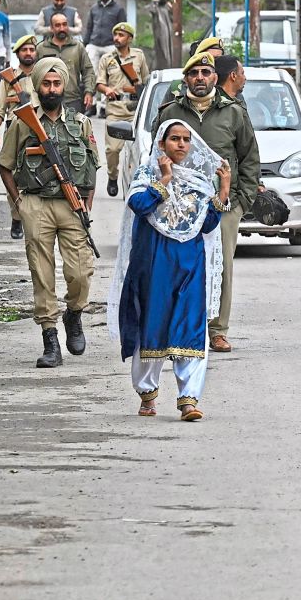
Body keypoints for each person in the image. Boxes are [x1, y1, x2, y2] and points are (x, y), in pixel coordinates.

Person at [108, 121, 230, 422]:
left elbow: (208, 224)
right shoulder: (146, 174)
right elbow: (138, 204)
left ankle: (188, 400)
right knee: (152, 323)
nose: (181, 144)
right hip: (153, 263)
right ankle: (147, 395)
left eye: (186, 140)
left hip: (190, 263)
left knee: (191, 325)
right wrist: (163, 179)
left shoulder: (198, 181)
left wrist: (223, 190)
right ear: (161, 144)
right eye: (174, 139)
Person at [152, 41, 261, 353]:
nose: (200, 77)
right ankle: (177, 329)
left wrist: (242, 201)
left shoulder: (234, 113)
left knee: (220, 265)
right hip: (179, 204)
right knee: (178, 265)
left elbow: (249, 156)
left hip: (222, 204)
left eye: (206, 72)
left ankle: (217, 330)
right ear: (186, 79)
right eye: (194, 73)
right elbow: (156, 155)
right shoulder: (171, 112)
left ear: (215, 78)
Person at [0, 57, 99, 368]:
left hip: (72, 207)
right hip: (36, 205)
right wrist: (19, 204)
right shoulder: (22, 122)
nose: (51, 89)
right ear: (38, 86)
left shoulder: (80, 123)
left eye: (57, 84)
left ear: (65, 86)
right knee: (41, 274)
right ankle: (50, 338)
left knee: (80, 272)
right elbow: (5, 166)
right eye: (46, 83)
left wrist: (86, 204)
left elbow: (92, 169)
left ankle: (74, 313)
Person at [0, 35, 41, 240]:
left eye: (31, 49)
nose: (28, 53)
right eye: (24, 50)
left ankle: (37, 218)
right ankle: (17, 216)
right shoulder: (8, 78)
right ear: (18, 53)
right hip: (14, 130)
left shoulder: (43, 74)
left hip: (39, 130)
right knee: (12, 174)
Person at [95, 22, 150, 198]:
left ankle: (138, 184)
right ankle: (112, 176)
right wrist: (106, 90)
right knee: (112, 150)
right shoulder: (107, 58)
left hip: (135, 111)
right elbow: (100, 83)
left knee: (140, 149)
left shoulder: (139, 56)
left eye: (121, 35)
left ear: (130, 38)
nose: (117, 38)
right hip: (116, 109)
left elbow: (146, 79)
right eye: (116, 34)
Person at [36, 13, 95, 114]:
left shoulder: (78, 47)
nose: (62, 28)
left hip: (72, 101)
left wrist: (89, 91)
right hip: (47, 102)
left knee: (73, 129)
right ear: (51, 28)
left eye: (64, 24)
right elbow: (33, 75)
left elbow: (88, 71)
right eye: (58, 25)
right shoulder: (41, 48)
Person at [85, 0, 127, 114]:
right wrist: (86, 44)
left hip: (110, 45)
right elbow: (89, 27)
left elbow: (123, 28)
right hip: (94, 45)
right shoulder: (93, 9)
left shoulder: (118, 9)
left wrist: (122, 45)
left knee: (109, 76)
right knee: (93, 75)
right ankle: (91, 106)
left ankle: (104, 107)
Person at [148, 0, 175, 71]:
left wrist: (171, 8)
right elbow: (152, 11)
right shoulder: (154, 6)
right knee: (162, 53)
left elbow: (174, 18)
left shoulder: (167, 6)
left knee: (170, 53)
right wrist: (155, 0)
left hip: (169, 34)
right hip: (160, 34)